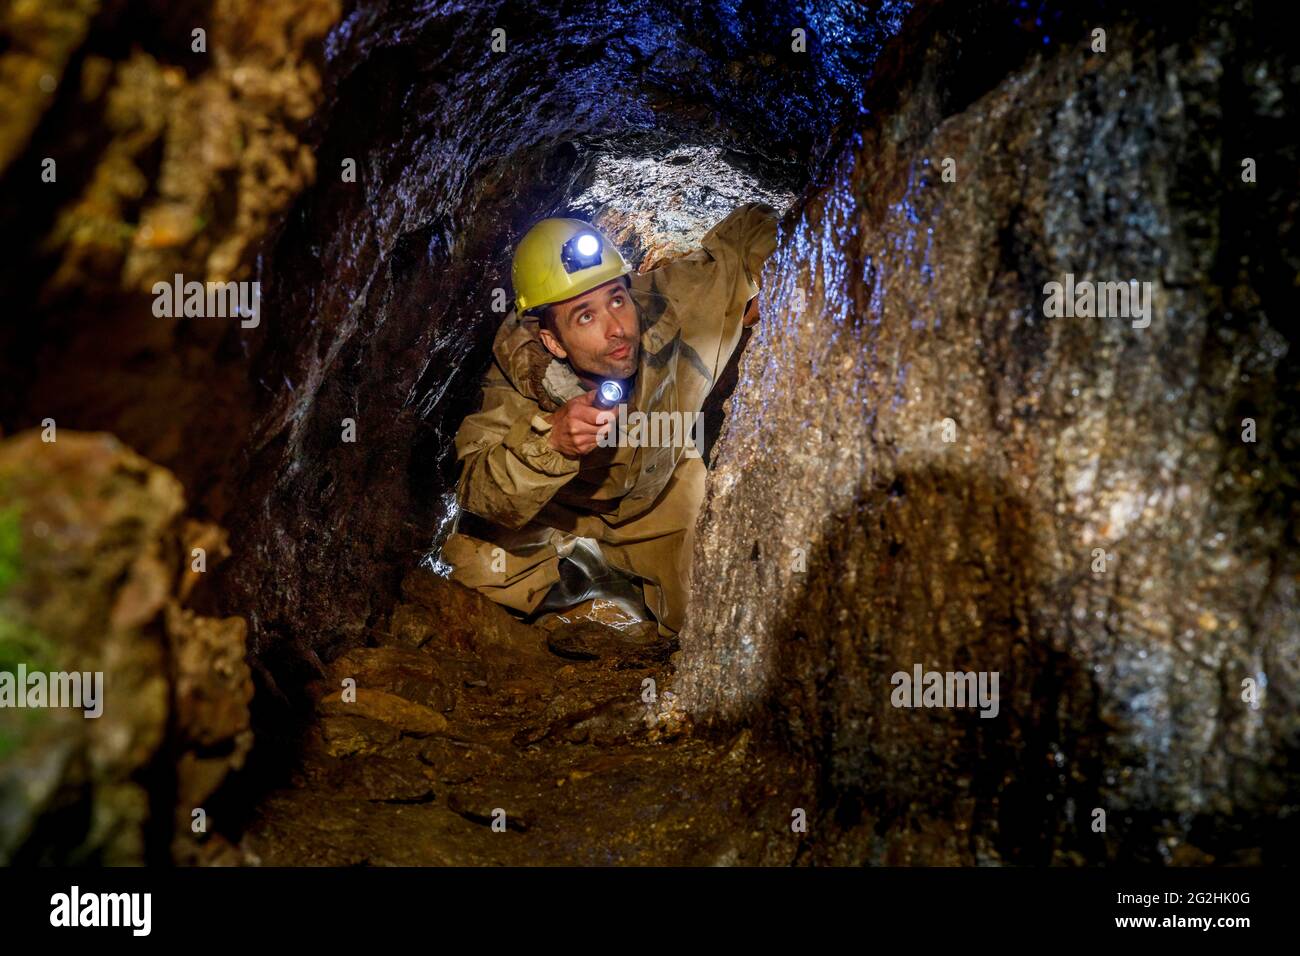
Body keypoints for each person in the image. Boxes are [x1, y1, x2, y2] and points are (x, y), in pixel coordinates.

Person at [441, 202, 779, 637]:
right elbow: (475, 489)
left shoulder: (676, 305)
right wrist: (551, 444)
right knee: (477, 572)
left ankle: (622, 583)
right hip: (560, 508)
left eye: (616, 299)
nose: (616, 327)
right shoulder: (515, 381)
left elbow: (748, 230)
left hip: (661, 494)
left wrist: (776, 268)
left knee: (715, 617)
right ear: (553, 341)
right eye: (585, 316)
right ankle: (577, 582)